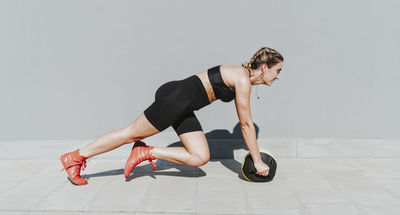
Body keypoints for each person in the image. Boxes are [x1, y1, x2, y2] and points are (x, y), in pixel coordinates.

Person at [60, 47, 284, 185]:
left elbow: (245, 124)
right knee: (129, 133)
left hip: (182, 102)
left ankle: (144, 151)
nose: (278, 76)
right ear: (264, 67)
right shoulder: (242, 79)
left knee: (200, 156)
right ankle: (76, 157)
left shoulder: (241, 76)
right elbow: (246, 125)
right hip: (176, 99)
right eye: (278, 71)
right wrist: (256, 161)